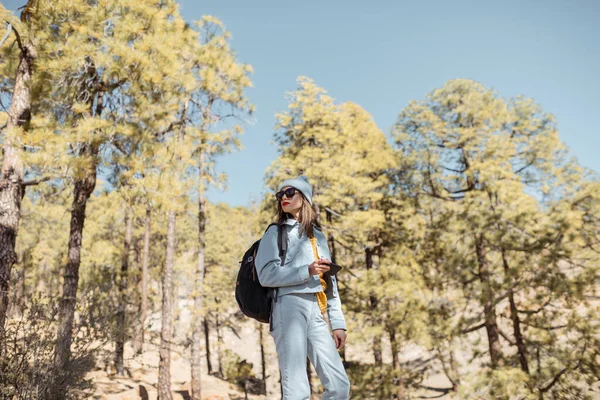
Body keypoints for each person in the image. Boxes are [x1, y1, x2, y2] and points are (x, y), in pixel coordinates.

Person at [255, 175, 351, 400]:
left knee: (339, 386)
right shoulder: (274, 232)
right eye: (280, 195)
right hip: (288, 307)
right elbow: (266, 275)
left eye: (290, 193)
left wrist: (337, 323)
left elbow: (330, 283)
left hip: (316, 309)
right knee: (297, 391)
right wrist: (305, 271)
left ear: (304, 198)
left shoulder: (318, 236)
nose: (283, 198)